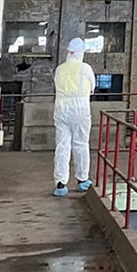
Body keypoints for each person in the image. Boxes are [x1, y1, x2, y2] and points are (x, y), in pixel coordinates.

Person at [52, 37, 96, 196]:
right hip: (80, 109)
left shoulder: (59, 69)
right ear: (81, 53)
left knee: (62, 146)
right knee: (81, 143)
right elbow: (92, 88)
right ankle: (82, 179)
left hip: (61, 108)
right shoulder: (85, 69)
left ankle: (60, 183)